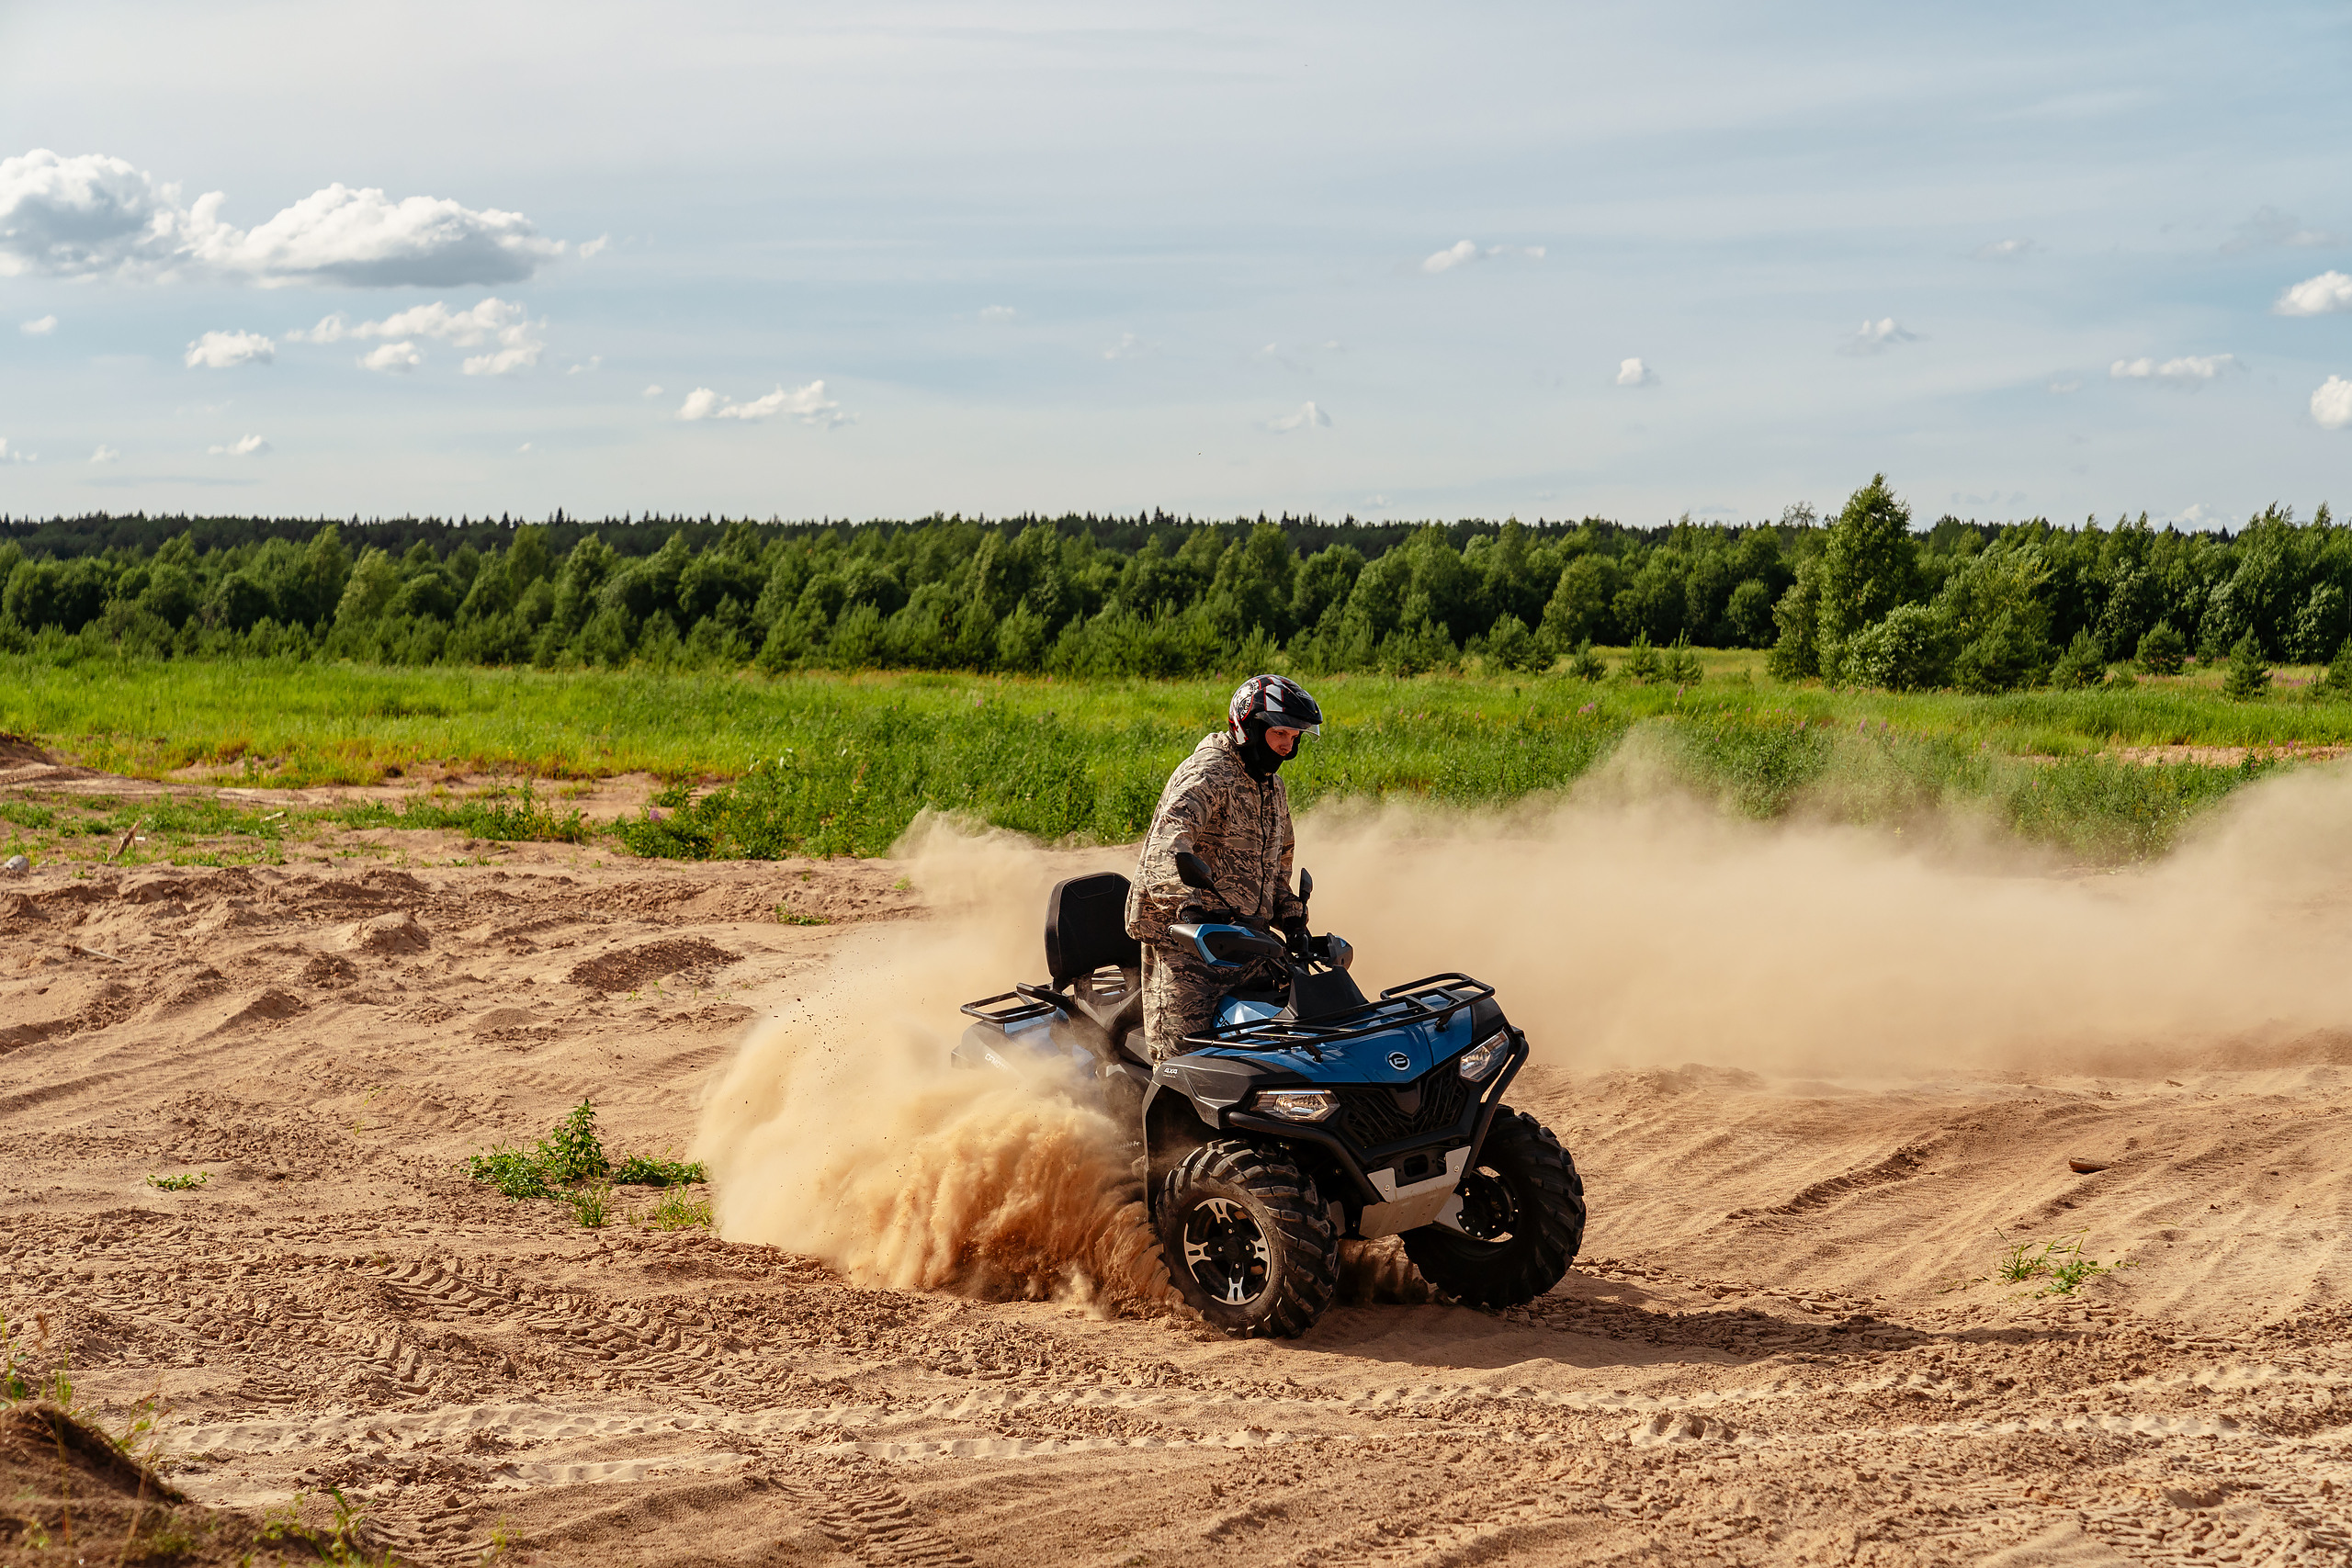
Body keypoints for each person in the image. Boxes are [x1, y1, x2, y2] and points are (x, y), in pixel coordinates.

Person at [1125, 673, 1323, 1062]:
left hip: (1248, 946)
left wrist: (1292, 916)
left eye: (1295, 737)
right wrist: (1189, 906)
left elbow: (1276, 865)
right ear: (1250, 726)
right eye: (1281, 733)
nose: (1288, 745)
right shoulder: (1210, 773)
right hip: (1188, 951)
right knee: (1185, 1067)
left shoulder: (1270, 785)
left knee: (1294, 1048)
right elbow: (1167, 845)